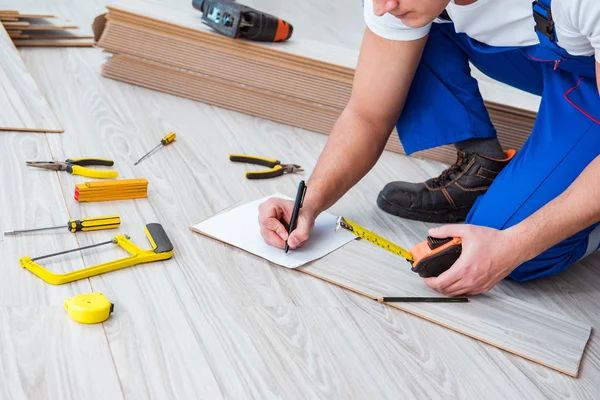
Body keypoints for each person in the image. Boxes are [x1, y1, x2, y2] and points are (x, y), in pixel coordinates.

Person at [258, 0, 600, 296]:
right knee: (415, 20)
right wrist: (310, 203)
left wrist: (515, 244)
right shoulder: (396, 3)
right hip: (552, 51)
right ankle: (482, 169)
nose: (382, 7)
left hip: (586, 83)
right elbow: (367, 115)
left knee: (522, 254)